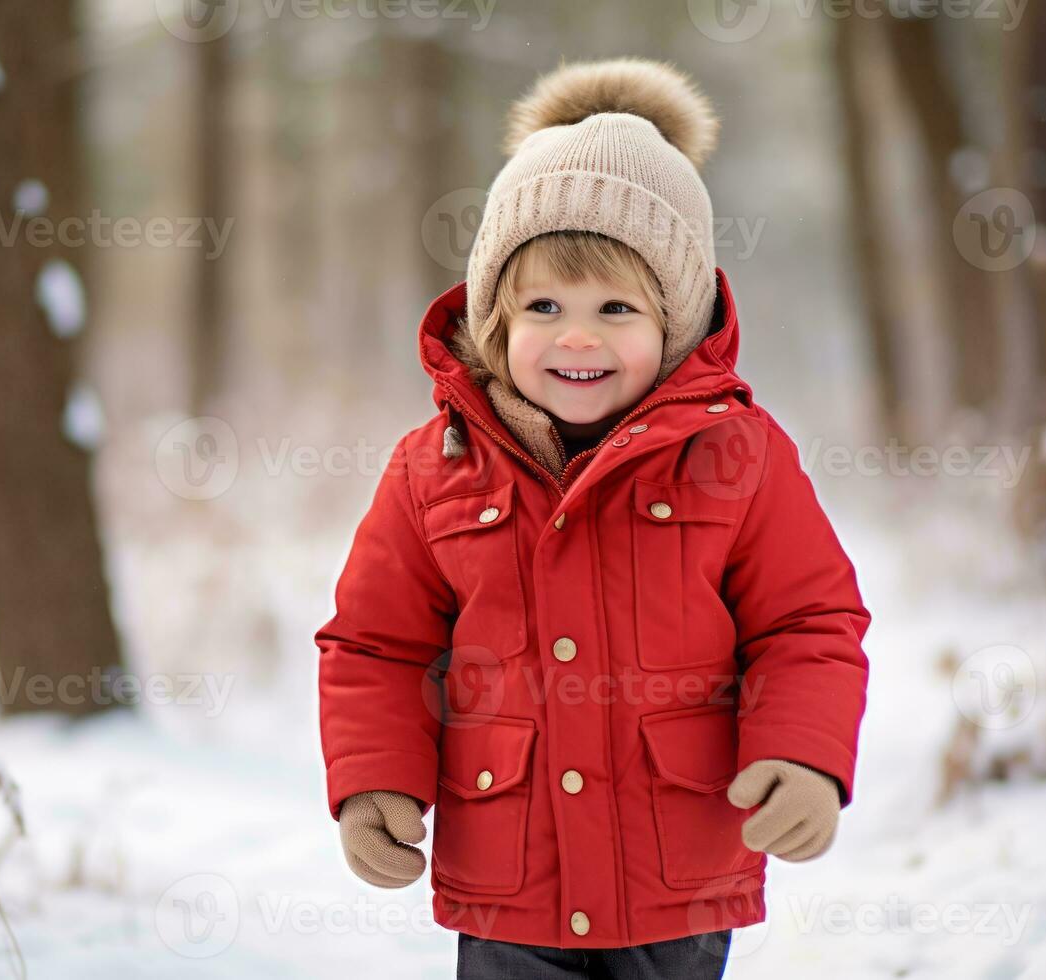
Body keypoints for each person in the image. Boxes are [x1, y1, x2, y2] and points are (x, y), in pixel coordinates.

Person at [316, 57, 872, 979]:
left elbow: (806, 622)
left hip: (676, 875)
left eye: (616, 307)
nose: (577, 336)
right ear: (495, 319)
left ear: (677, 321)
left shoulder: (736, 455)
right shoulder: (434, 469)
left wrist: (805, 755)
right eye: (543, 306)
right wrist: (372, 778)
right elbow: (378, 643)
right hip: (510, 880)